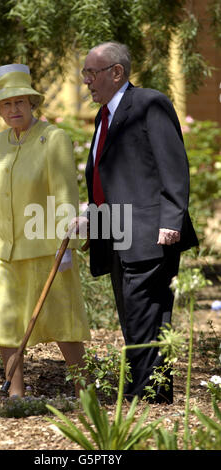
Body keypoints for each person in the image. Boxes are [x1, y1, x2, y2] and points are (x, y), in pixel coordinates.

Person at [75, 41, 198, 404]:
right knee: (132, 315)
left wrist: (172, 219)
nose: (86, 81)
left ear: (116, 72)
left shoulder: (149, 104)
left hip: (149, 230)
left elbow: (173, 166)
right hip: (114, 231)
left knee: (147, 313)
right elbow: (108, 176)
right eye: (84, 74)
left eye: (91, 73)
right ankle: (146, 391)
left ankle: (146, 395)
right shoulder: (103, 116)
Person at [0, 64, 91, 398]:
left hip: (48, 249)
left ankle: (85, 394)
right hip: (6, 251)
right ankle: (16, 395)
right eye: (6, 104)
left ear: (32, 104)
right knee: (8, 324)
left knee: (64, 323)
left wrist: (69, 243)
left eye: (19, 102)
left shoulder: (53, 138)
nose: (13, 109)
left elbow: (64, 194)